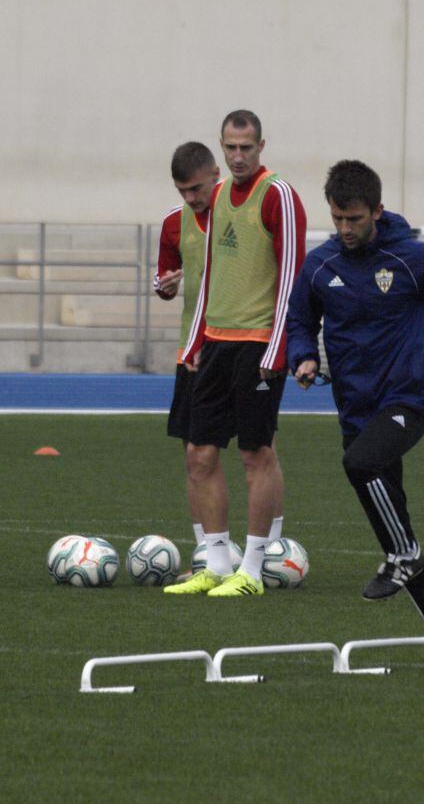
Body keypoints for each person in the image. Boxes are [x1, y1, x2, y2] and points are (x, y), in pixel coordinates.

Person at [286, 160, 424, 671]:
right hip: (355, 409)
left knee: (359, 465)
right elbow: (299, 320)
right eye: (337, 219)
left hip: (406, 403)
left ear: (376, 210)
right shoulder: (321, 265)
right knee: (398, 528)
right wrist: (302, 356)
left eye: (354, 219)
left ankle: (404, 557)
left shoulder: (411, 258)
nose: (345, 229)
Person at [165, 109, 306, 598]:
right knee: (199, 454)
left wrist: (279, 345)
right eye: (231, 147)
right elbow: (208, 277)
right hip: (217, 345)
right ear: (221, 148)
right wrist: (194, 342)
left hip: (259, 344)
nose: (239, 155)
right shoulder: (219, 195)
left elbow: (292, 274)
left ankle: (253, 568)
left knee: (254, 454)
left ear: (262, 147)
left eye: (247, 147)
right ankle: (217, 563)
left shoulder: (279, 195)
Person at [154, 141, 227, 556]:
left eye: (196, 188)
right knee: (194, 454)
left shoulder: (239, 214)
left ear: (215, 174)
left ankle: (271, 549)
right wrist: (165, 286)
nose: (190, 198)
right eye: (182, 191)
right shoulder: (173, 224)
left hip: (240, 344)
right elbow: (164, 281)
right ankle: (207, 550)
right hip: (192, 350)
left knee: (259, 450)